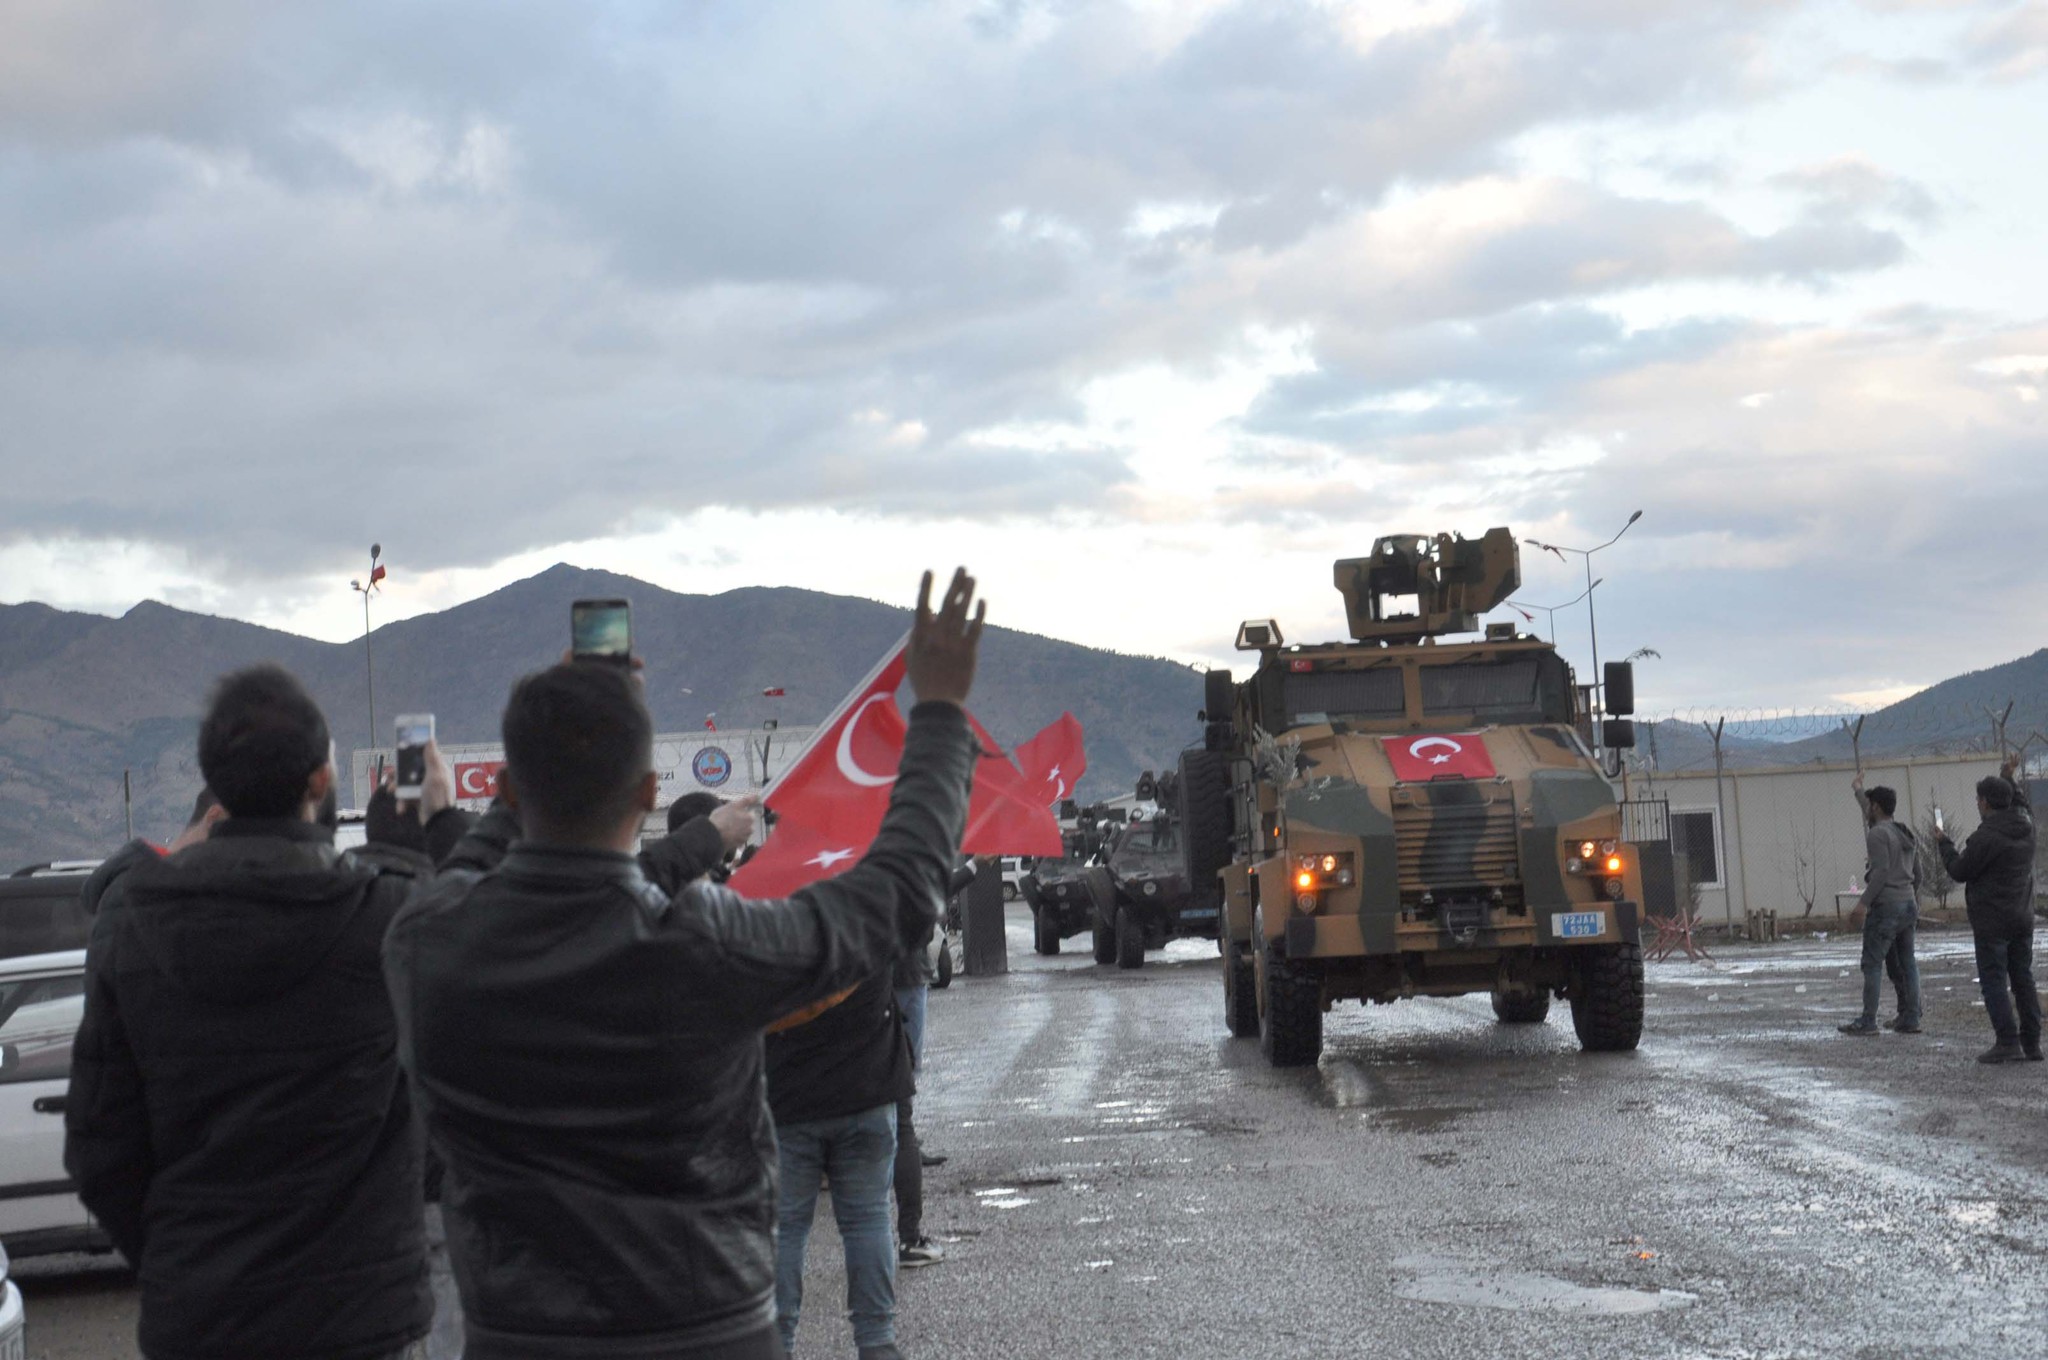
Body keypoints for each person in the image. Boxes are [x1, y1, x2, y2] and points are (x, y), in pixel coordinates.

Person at [383, 568, 985, 1360]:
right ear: (645, 794)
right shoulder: (704, 944)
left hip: (517, 1339)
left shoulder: (427, 942)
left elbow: (468, 871)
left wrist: (514, 780)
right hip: (708, 1334)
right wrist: (938, 712)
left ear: (509, 788)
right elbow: (902, 891)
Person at [65, 663, 435, 1360]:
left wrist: (181, 1259)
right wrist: (413, 845)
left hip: (203, 1319)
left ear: (213, 782)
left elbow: (98, 1146)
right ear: (321, 782)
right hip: (359, 1321)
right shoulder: (385, 920)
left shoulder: (133, 926)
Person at [768, 964, 916, 1358]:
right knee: (868, 1219)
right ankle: (877, 1342)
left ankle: (775, 1345)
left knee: (786, 1229)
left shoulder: (769, 918)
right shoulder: (868, 908)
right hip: (868, 1085)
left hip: (787, 1094)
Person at [1938, 761, 2040, 1063]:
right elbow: (2019, 802)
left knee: (1993, 980)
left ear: (1984, 802)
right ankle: (2032, 1044)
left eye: (1978, 800)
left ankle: (2007, 1041)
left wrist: (1944, 844)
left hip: (1992, 921)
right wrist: (2009, 778)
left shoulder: (1985, 838)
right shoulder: (2027, 826)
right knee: (2023, 978)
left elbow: (1959, 870)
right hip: (2022, 916)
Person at [1839, 778, 1921, 1036]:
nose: (1867, 810)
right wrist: (1858, 790)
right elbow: (1918, 874)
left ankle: (1868, 1020)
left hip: (1887, 906)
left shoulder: (1877, 834)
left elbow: (1882, 871)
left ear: (1875, 808)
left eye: (1869, 806)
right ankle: (1911, 1017)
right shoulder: (1904, 833)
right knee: (1908, 962)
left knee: (1872, 963)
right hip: (1908, 903)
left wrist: (1862, 904)